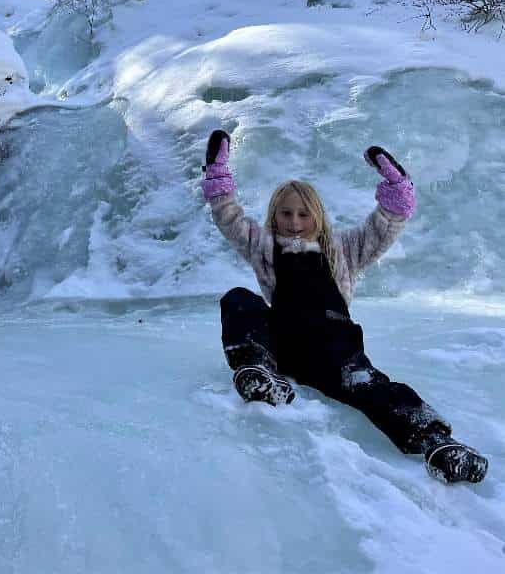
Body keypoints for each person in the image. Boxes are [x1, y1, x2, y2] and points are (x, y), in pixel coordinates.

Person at [201, 129, 488, 485]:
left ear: (317, 217)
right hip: (284, 343)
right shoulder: (263, 246)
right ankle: (258, 372)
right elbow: (228, 218)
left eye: (303, 215)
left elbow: (382, 228)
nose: (294, 222)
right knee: (239, 299)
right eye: (285, 214)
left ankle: (438, 444)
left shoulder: (344, 249)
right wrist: (217, 174)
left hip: (335, 349)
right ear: (274, 217)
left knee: (373, 389)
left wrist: (396, 188)